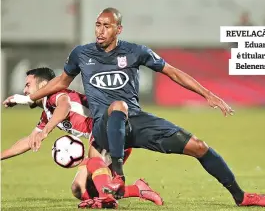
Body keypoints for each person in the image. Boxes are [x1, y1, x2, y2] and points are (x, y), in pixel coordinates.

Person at [4, 8, 265, 207]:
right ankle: (117, 179)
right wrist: (29, 98)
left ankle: (241, 197)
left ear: (118, 29)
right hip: (103, 123)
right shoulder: (81, 54)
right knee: (109, 121)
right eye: (97, 25)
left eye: (106, 26)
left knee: (200, 146)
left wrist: (208, 94)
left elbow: (173, 72)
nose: (100, 30)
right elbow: (61, 82)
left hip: (135, 120)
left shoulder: (135, 51)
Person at [1, 67, 163, 209]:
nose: (25, 91)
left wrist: (46, 131)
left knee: (96, 170)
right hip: (105, 137)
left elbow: (65, 107)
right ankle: (138, 190)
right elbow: (29, 140)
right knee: (79, 188)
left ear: (43, 86)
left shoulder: (55, 95)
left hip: (112, 130)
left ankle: (107, 200)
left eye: (28, 85)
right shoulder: (47, 113)